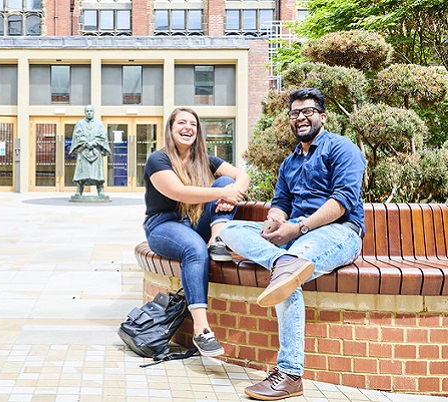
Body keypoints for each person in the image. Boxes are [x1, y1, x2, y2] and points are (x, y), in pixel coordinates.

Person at [219, 88, 366, 400]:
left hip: (338, 233)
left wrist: (297, 228)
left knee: (289, 274)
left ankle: (290, 373)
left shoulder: (341, 149)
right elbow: (281, 202)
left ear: (323, 117)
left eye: (308, 111)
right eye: (295, 113)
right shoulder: (289, 163)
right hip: (294, 236)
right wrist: (274, 220)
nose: (300, 117)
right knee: (231, 229)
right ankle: (279, 262)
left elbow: (342, 202)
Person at [143, 107, 250, 357]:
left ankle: (217, 238)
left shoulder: (204, 159)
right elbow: (179, 192)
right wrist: (223, 194)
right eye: (181, 122)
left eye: (193, 124)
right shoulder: (158, 160)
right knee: (194, 249)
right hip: (163, 225)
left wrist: (233, 191)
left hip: (195, 222)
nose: (188, 127)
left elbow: (240, 175)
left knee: (225, 180)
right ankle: (201, 329)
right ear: (170, 128)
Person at [69, 105, 111, 197]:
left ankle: (100, 190)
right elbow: (78, 135)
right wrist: (85, 143)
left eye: (91, 111)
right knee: (82, 172)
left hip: (96, 150)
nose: (89, 113)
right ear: (85, 112)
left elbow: (102, 136)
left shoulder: (99, 123)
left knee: (98, 172)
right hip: (83, 151)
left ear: (93, 112)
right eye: (87, 111)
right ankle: (79, 190)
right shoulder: (79, 123)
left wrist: (94, 143)